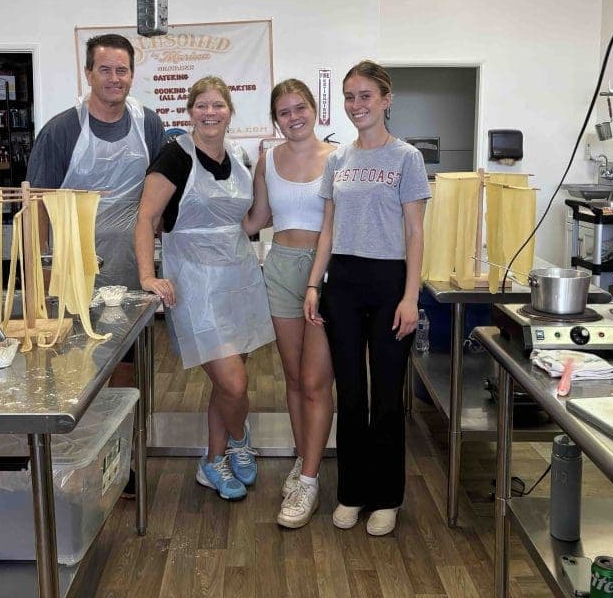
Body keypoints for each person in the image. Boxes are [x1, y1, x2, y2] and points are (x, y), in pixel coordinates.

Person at [26, 33, 165, 494]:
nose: (114, 78)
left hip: (128, 263)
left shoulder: (149, 124)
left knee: (125, 361)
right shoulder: (63, 130)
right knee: (74, 362)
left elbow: (159, 191)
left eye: (121, 70)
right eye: (104, 69)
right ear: (88, 74)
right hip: (70, 267)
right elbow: (38, 207)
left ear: (131, 73)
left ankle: (123, 455)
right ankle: (76, 457)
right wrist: (42, 270)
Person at [303, 60, 429, 536]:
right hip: (345, 285)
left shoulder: (406, 158)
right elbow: (328, 229)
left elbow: (415, 231)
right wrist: (315, 284)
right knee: (351, 393)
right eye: (350, 97)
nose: (357, 106)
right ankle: (351, 492)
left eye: (366, 97)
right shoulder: (338, 159)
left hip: (390, 282)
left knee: (387, 396)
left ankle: (386, 496)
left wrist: (411, 296)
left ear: (386, 100)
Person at [135, 76, 273, 501]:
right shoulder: (175, 156)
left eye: (218, 105)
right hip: (194, 282)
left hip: (239, 277)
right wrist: (147, 275)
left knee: (229, 382)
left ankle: (213, 460)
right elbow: (145, 218)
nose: (210, 112)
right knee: (233, 384)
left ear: (230, 112)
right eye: (202, 106)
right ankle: (238, 435)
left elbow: (249, 221)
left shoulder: (239, 156)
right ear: (190, 111)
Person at [244, 79, 335, 529]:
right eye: (284, 111)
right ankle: (304, 461)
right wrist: (199, 223)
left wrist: (319, 280)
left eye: (300, 108)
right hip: (279, 268)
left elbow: (342, 225)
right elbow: (258, 219)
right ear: (275, 118)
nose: (293, 117)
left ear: (314, 108)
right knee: (295, 377)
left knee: (318, 381)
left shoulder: (338, 158)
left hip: (324, 273)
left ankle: (312, 479)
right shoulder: (267, 161)